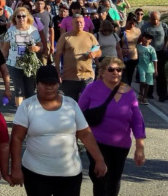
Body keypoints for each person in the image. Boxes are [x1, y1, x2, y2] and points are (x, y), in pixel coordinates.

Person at [9, 65, 107, 196]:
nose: (49, 88)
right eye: (44, 83)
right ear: (37, 84)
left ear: (58, 83)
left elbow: (85, 133)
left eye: (53, 83)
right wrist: (16, 168)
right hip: (35, 174)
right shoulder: (27, 106)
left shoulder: (71, 104)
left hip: (70, 174)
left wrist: (99, 159)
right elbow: (16, 138)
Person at [79, 57, 146, 196]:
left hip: (121, 144)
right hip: (96, 142)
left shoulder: (128, 92)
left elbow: (137, 119)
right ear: (102, 72)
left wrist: (140, 146)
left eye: (119, 69)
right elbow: (78, 113)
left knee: (114, 179)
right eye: (111, 69)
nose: (115, 72)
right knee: (99, 177)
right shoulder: (92, 88)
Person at [55, 13, 101, 102]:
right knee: (70, 104)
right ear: (72, 24)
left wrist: (94, 54)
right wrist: (57, 72)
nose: (79, 24)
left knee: (86, 102)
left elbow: (99, 51)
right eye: (76, 22)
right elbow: (57, 55)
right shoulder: (65, 37)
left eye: (81, 22)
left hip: (87, 76)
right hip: (69, 77)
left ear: (84, 24)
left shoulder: (90, 36)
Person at [2, 8, 42, 107]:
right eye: (18, 16)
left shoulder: (34, 30)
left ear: (27, 17)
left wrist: (36, 48)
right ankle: (20, 113)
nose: (21, 18)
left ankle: (30, 114)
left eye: (23, 16)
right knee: (19, 90)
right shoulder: (11, 31)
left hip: (29, 65)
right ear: (14, 18)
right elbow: (5, 49)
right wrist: (2, 64)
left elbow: (41, 46)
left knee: (30, 90)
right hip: (14, 64)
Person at [139, 11, 168, 101]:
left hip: (160, 52)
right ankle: (148, 93)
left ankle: (163, 95)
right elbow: (141, 39)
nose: (155, 21)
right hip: (148, 52)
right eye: (152, 19)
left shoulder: (163, 26)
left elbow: (166, 38)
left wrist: (165, 47)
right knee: (149, 72)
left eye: (156, 19)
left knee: (160, 73)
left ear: (159, 18)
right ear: (149, 18)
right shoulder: (145, 27)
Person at [136, 33, 158, 106]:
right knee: (142, 80)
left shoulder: (151, 49)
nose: (146, 40)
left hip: (149, 67)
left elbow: (155, 59)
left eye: (148, 39)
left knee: (148, 82)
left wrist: (156, 70)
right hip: (141, 66)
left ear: (150, 41)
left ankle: (145, 97)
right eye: (145, 38)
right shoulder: (139, 46)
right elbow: (136, 43)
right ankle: (140, 94)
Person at [121, 15, 141, 85]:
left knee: (130, 75)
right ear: (127, 22)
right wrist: (121, 50)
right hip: (122, 56)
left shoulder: (138, 31)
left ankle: (128, 92)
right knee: (123, 76)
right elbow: (116, 43)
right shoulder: (120, 30)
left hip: (133, 56)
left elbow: (139, 42)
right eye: (130, 23)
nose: (132, 25)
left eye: (134, 23)